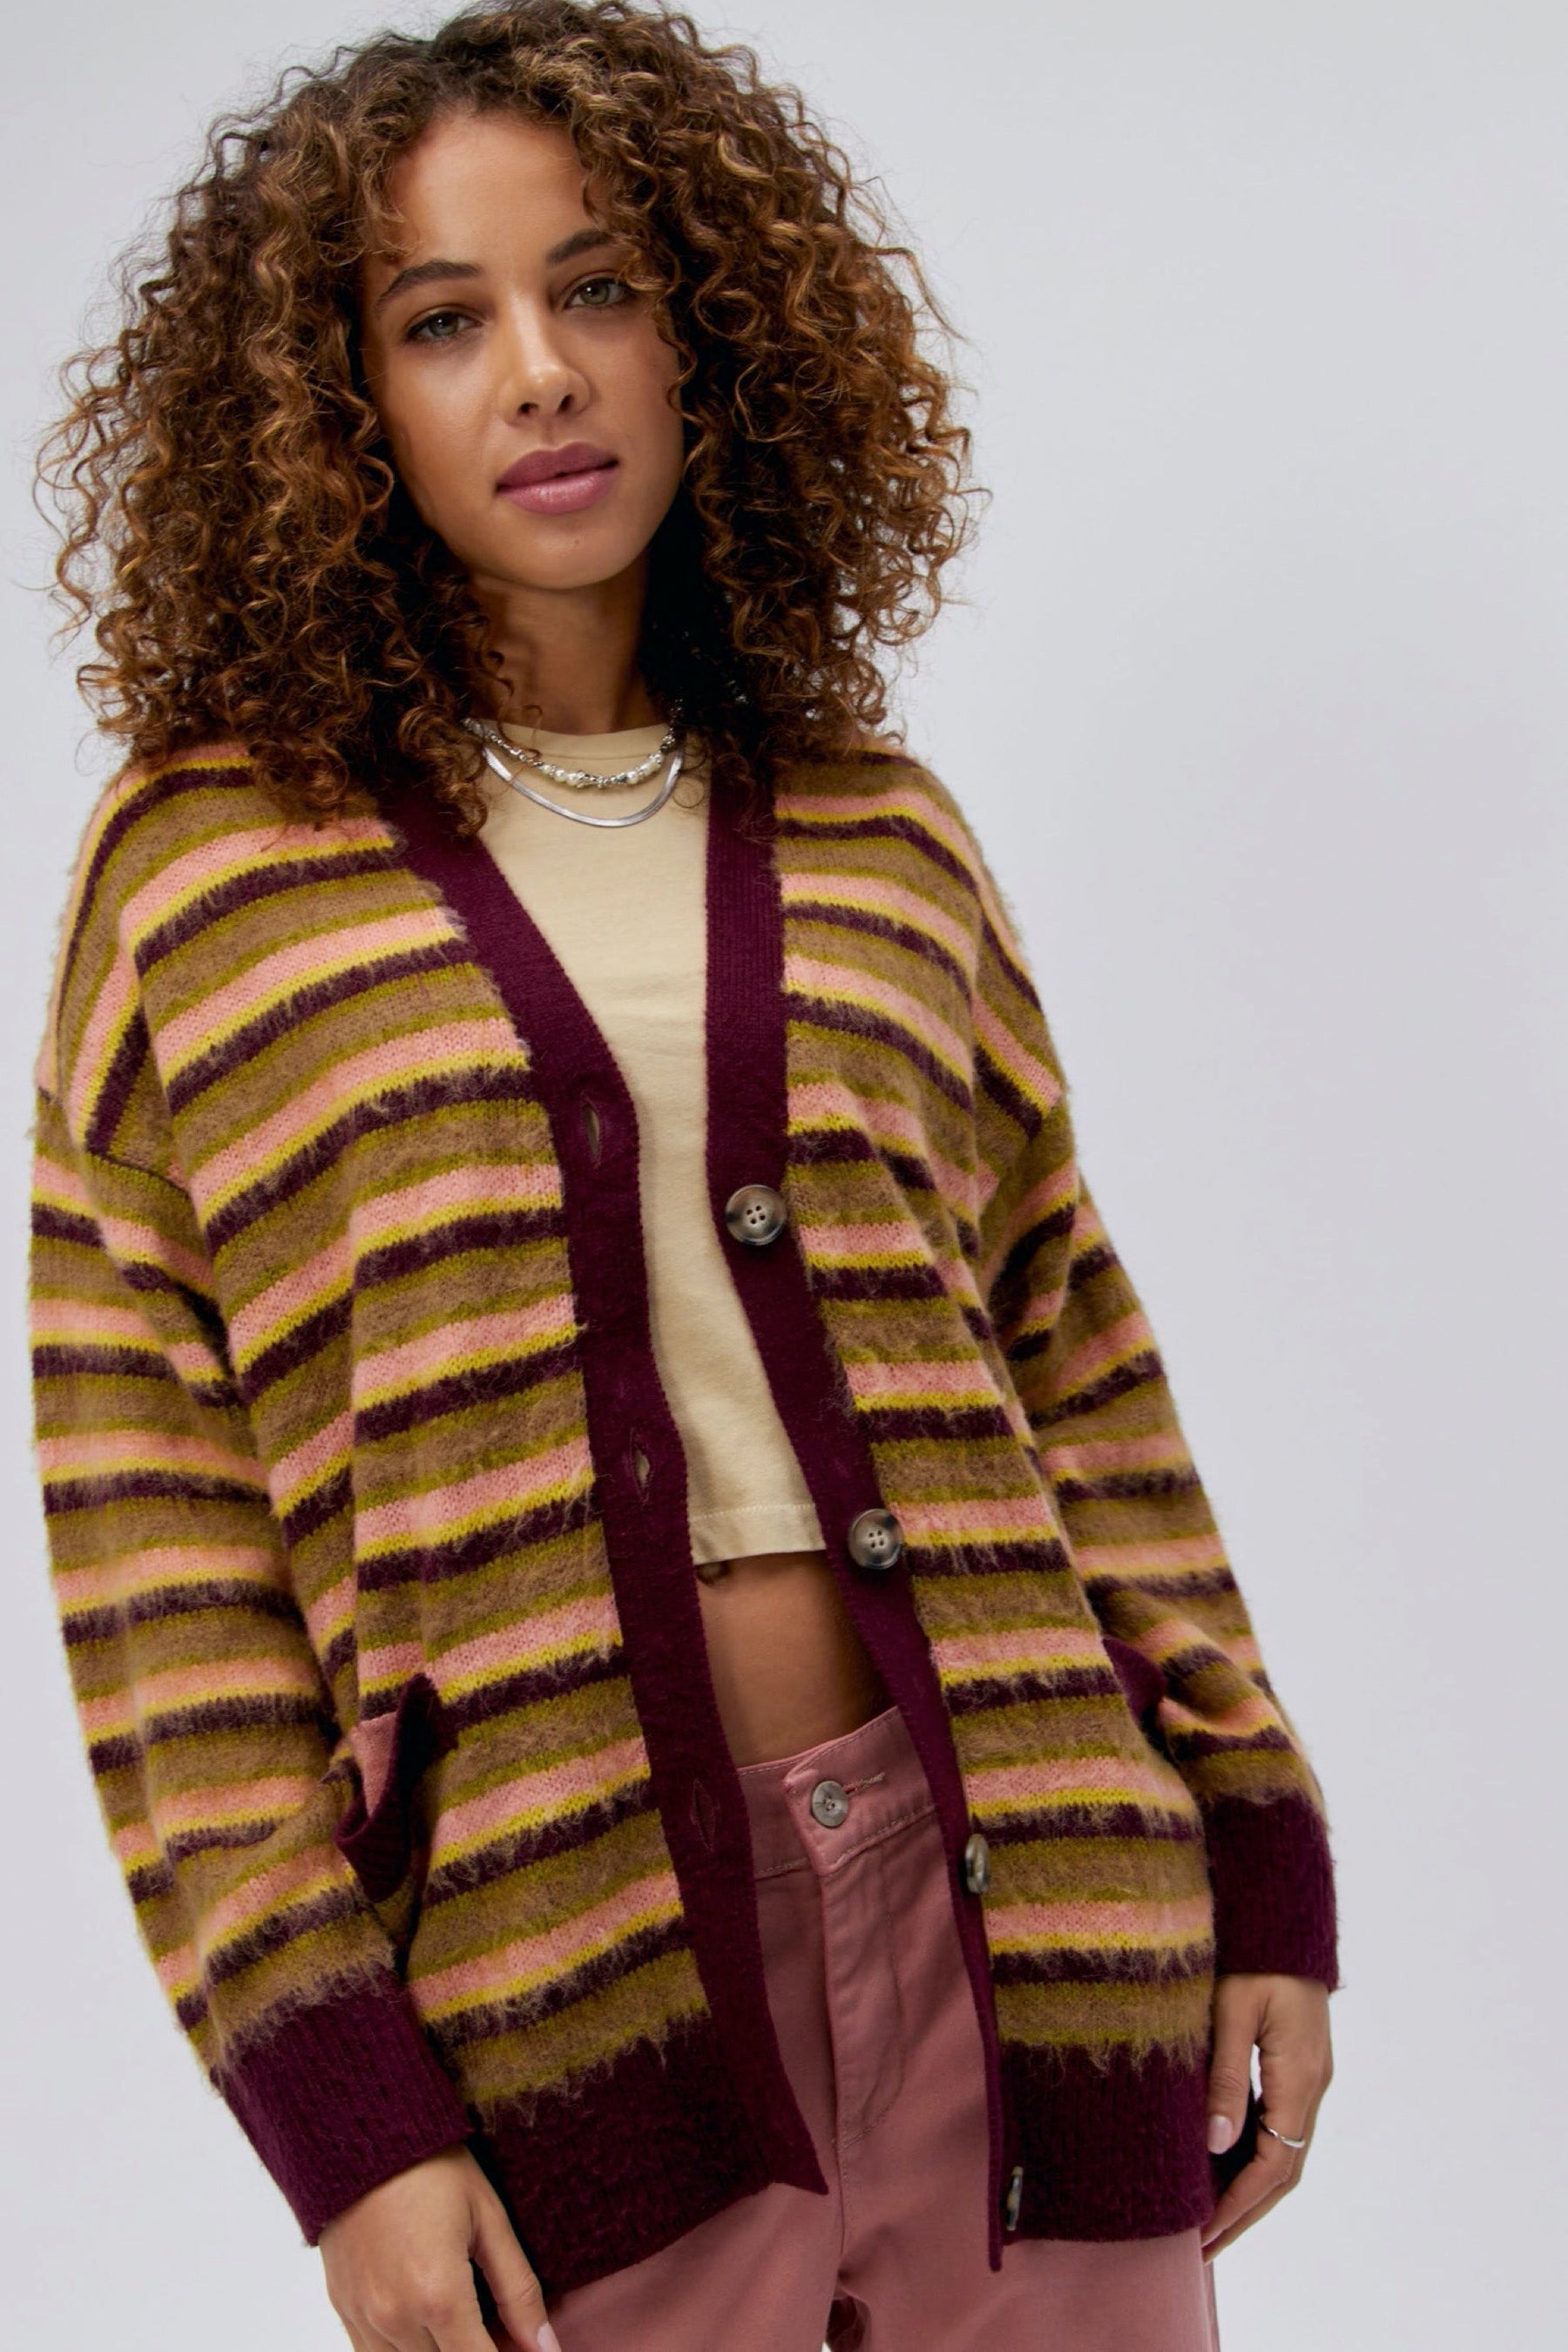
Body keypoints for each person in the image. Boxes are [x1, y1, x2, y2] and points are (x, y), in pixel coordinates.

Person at [29, 6, 1336, 2348]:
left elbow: (1074, 1362)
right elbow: (159, 1545)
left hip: (1033, 1906)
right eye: (444, 320)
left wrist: (1259, 1841)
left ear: (715, 330)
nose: (542, 372)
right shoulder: (205, 871)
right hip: (563, 1973)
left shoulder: (881, 832)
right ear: (337, 404)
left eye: (601, 287)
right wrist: (346, 2117)